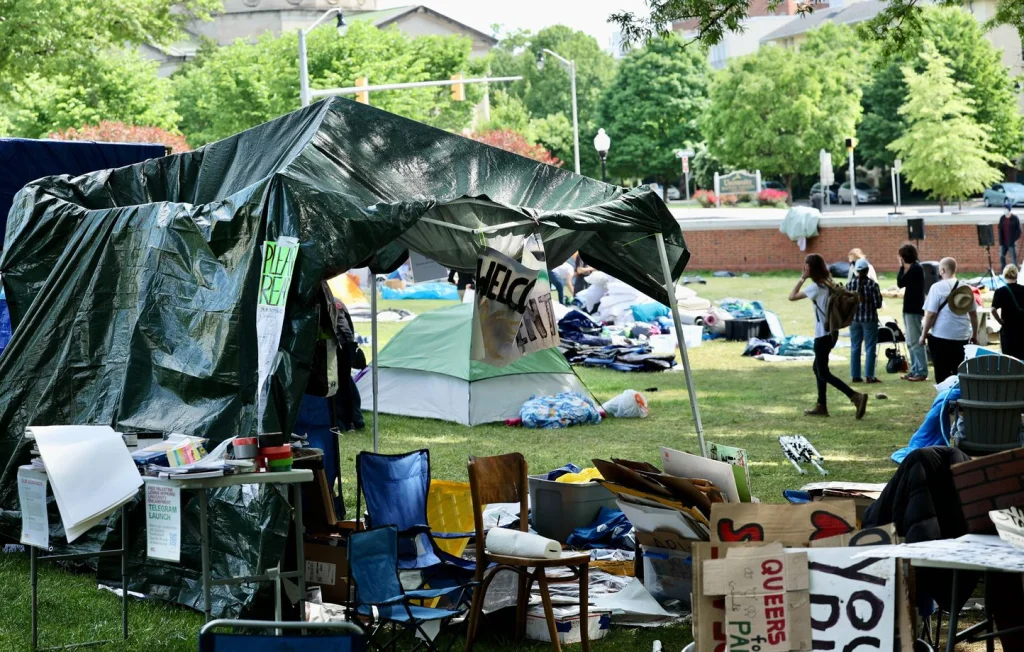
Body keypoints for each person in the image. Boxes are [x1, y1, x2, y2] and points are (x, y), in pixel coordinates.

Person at [789, 253, 869, 419]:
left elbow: (792, 297)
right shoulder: (828, 283)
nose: (804, 268)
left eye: (806, 265)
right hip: (832, 333)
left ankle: (855, 396)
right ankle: (821, 405)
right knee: (817, 368)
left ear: (810, 268)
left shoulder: (816, 287)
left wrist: (802, 278)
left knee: (823, 372)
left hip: (822, 335)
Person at [920, 257, 979, 383]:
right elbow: (973, 314)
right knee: (959, 373)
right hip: (962, 336)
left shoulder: (936, 287)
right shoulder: (966, 288)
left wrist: (923, 335)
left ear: (941, 270)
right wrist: (974, 334)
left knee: (942, 374)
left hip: (941, 336)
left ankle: (945, 400)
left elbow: (930, 314)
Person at [847, 258, 884, 383]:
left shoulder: (850, 285)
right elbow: (878, 304)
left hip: (854, 320)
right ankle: (869, 375)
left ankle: (855, 375)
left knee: (855, 347)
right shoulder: (873, 285)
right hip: (869, 319)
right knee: (870, 347)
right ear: (867, 270)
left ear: (856, 271)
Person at [897, 244, 928, 381]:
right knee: (910, 341)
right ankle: (915, 369)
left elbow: (901, 282)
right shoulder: (912, 268)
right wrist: (902, 267)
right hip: (908, 309)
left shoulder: (916, 268)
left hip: (914, 309)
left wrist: (902, 267)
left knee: (916, 341)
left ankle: (921, 371)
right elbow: (901, 283)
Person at [992, 264, 1024, 359]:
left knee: (1009, 358)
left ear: (1004, 275)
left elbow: (993, 309)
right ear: (1016, 275)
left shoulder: (1000, 291)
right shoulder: (1023, 289)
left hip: (1008, 329)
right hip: (1022, 328)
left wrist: (1000, 321)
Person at [998, 203, 1021, 269]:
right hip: (1003, 243)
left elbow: (1019, 231)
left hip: (1011, 243)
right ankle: (1003, 272)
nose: (1004, 210)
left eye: (1005, 209)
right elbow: (1000, 229)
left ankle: (1015, 272)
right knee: (1002, 256)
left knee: (1013, 259)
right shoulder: (1002, 218)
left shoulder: (1015, 218)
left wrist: (1013, 239)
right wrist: (1000, 240)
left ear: (1009, 209)